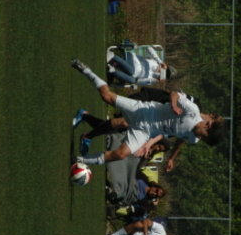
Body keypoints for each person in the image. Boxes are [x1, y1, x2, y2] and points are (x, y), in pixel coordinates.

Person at [70, 59, 225, 167]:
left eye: (203, 139)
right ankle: (86, 70)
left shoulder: (194, 138)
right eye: (204, 135)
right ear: (208, 125)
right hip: (144, 111)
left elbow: (181, 139)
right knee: (107, 97)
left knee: (121, 154)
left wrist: (171, 157)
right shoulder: (193, 111)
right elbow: (175, 94)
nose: (200, 137)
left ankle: (79, 160)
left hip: (145, 132)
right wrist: (173, 104)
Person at [107, 46, 176, 86]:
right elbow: (148, 48)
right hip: (131, 58)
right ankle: (113, 56)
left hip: (132, 73)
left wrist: (155, 80)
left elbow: (138, 82)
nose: (163, 72)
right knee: (132, 71)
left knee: (132, 80)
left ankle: (113, 71)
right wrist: (160, 61)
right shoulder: (155, 62)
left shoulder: (152, 79)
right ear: (166, 67)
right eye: (166, 71)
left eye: (165, 75)